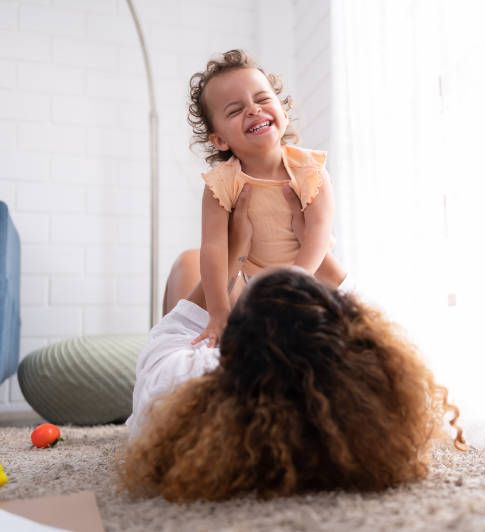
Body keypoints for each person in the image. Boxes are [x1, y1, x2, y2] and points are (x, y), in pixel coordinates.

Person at [120, 252, 466, 502]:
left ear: (224, 349)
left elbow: (174, 329)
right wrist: (321, 259)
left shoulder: (181, 380)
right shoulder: (374, 399)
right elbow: (383, 336)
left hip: (214, 363)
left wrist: (234, 250)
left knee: (190, 261)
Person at [187, 48, 347, 348]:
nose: (253, 109)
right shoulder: (220, 185)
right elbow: (213, 250)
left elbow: (318, 232)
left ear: (282, 112)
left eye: (262, 99)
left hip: (312, 277)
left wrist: (295, 278)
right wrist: (219, 311)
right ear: (220, 139)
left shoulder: (309, 170)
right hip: (255, 284)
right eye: (234, 110)